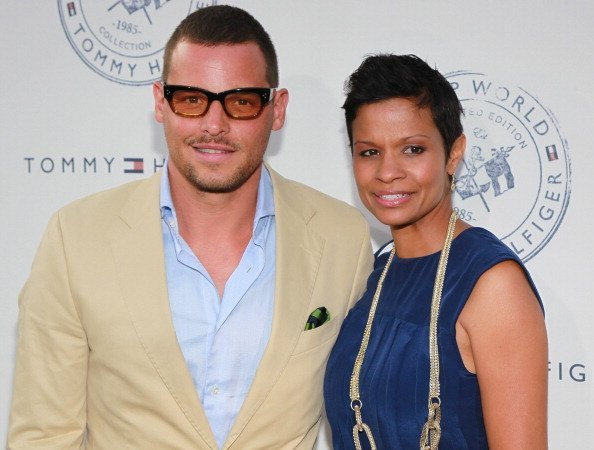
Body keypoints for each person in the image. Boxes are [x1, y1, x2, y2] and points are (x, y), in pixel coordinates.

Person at [8, 6, 373, 449]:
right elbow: (45, 436)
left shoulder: (342, 238)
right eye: (191, 99)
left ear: (276, 110)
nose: (214, 125)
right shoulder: (76, 239)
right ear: (161, 103)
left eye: (240, 101)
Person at [323, 54, 548, 449]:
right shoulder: (377, 271)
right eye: (369, 152)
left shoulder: (492, 284)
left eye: (412, 149)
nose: (387, 171)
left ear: (454, 152)